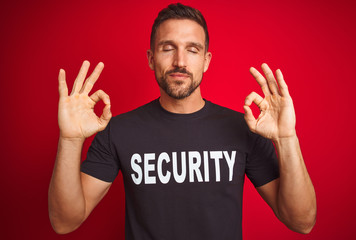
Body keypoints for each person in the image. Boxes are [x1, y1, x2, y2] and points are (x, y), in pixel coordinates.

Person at [48, 3, 316, 239]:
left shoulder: (244, 128)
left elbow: (301, 221)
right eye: (168, 48)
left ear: (206, 60)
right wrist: (70, 140)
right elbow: (64, 222)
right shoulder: (118, 131)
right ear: (151, 59)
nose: (180, 61)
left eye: (192, 49)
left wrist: (287, 139)